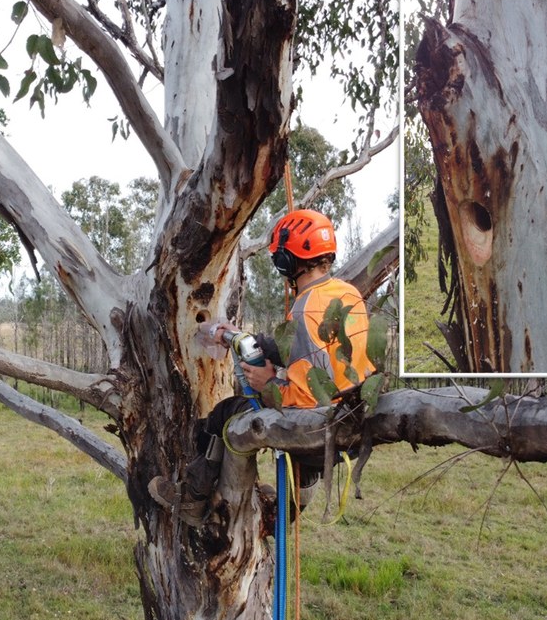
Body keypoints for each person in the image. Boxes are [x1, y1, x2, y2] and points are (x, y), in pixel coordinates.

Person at [149, 209, 376, 526]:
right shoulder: (345, 293)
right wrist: (244, 339)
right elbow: (303, 349)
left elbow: (307, 401)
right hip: (351, 424)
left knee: (224, 414)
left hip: (317, 427)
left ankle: (192, 499)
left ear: (288, 260)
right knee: (291, 449)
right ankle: (287, 510)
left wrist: (269, 384)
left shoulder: (304, 308)